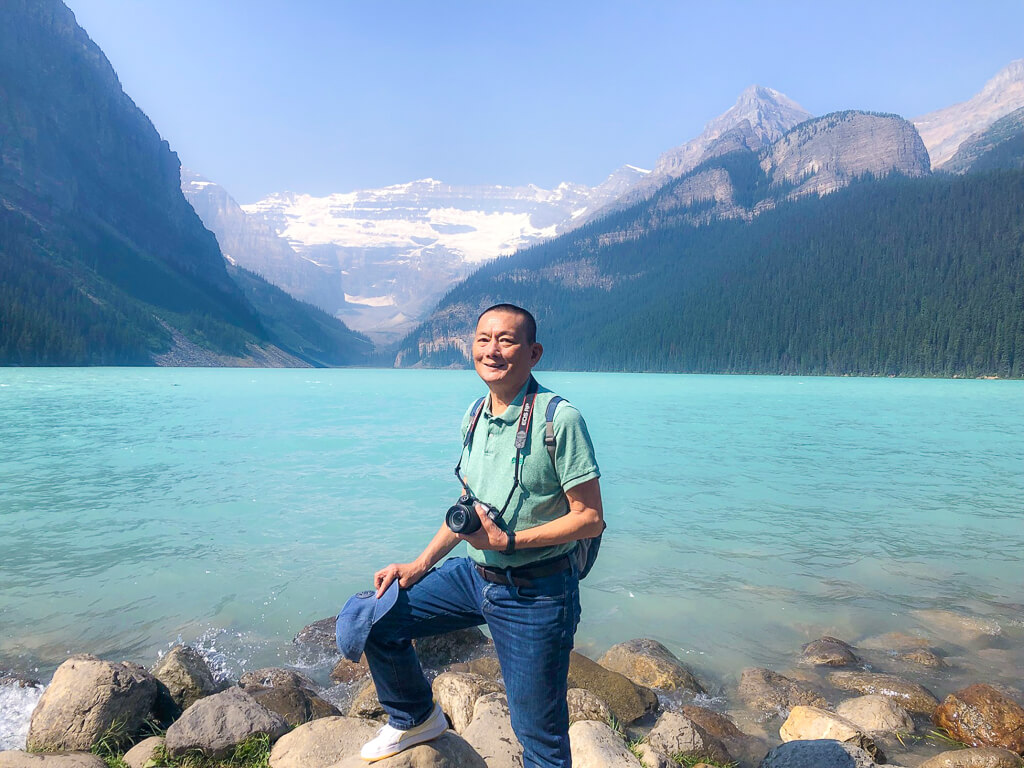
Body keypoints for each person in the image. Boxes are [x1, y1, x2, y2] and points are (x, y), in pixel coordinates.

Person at [356, 303, 604, 767]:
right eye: (483, 339)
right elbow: (468, 505)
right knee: (375, 617)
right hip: (475, 578)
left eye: (506, 340)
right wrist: (418, 565)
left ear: (533, 353)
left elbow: (589, 517)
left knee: (539, 739)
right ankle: (414, 718)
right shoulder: (475, 414)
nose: (492, 350)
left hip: (538, 592)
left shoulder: (559, 419)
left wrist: (510, 543)